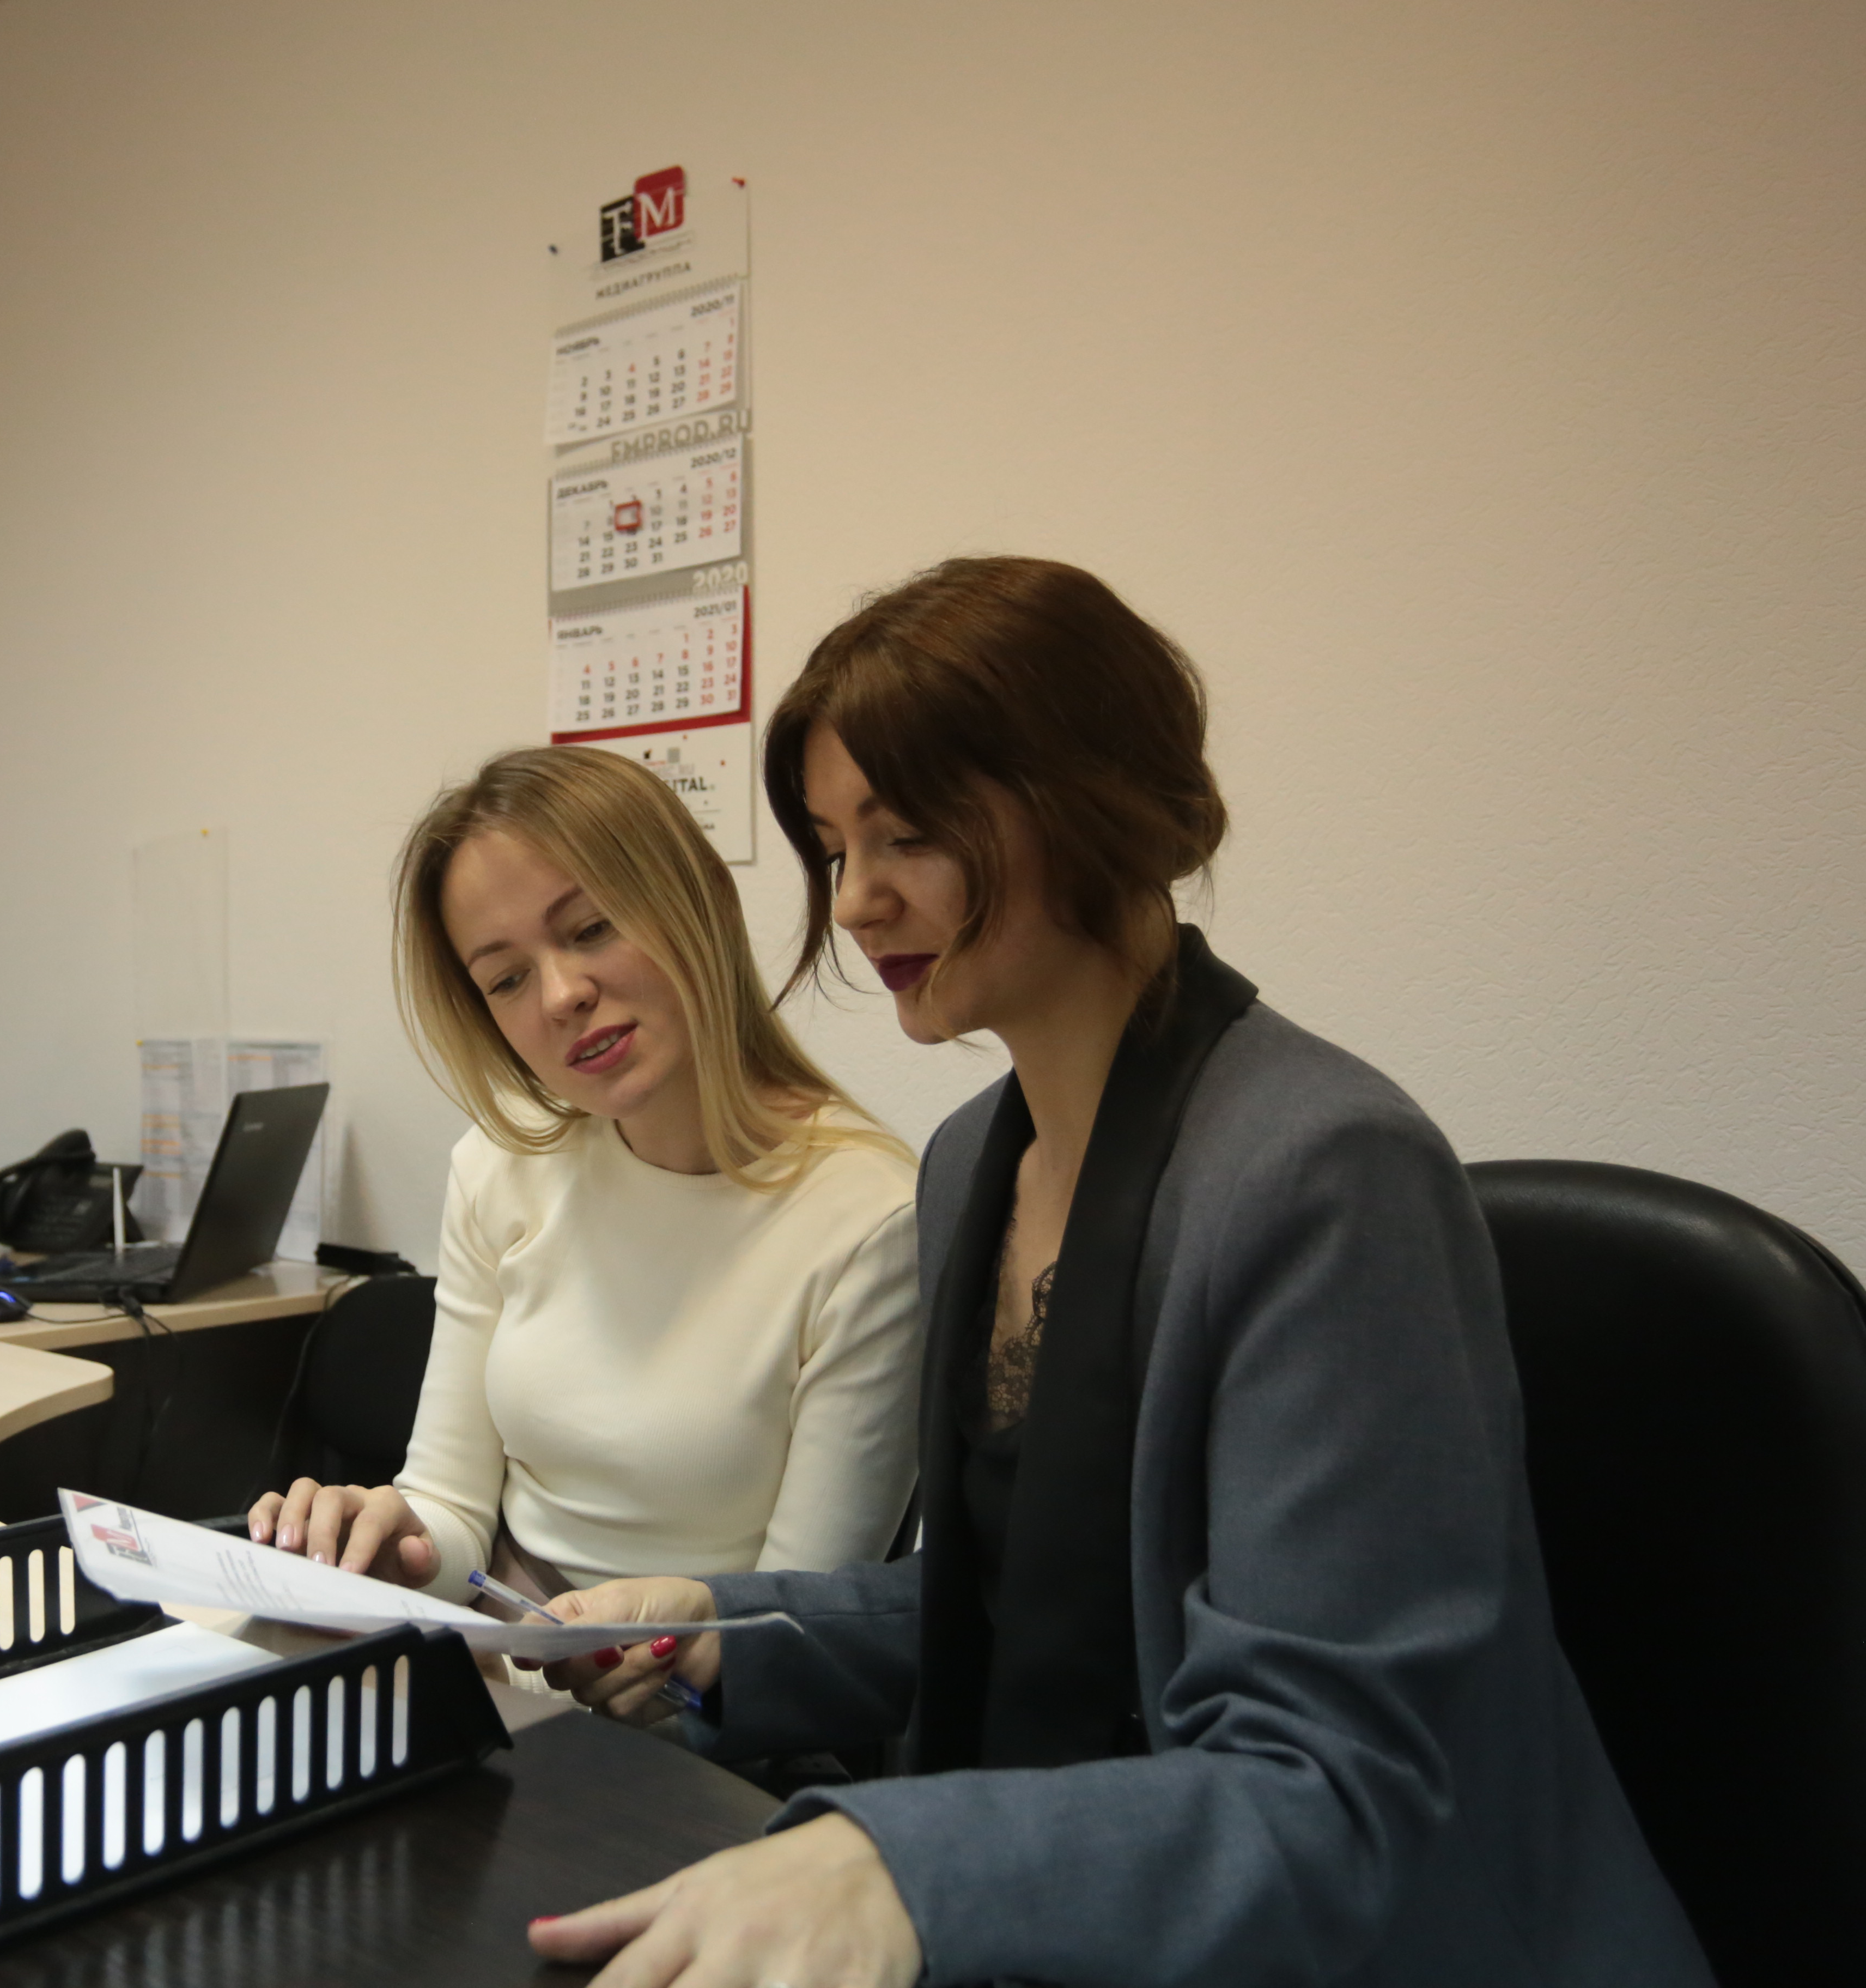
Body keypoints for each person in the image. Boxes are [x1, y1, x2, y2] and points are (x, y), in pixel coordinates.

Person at [526, 560, 1711, 1987]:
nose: (856, 905)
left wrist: (904, 1864)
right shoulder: (970, 1160)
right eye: (837, 849)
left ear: (1092, 802)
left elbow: (1332, 1788)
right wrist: (720, 1628)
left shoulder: (1329, 1174)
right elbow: (1035, 1604)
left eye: (908, 836)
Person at [250, 747, 924, 1622]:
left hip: (705, 1693)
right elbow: (450, 1508)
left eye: (593, 928)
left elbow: (799, 1628)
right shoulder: (500, 1167)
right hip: (507, 1659)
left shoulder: (872, 1219)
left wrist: (653, 1649)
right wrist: (391, 1543)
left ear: (700, 899)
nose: (562, 995)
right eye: (507, 979)